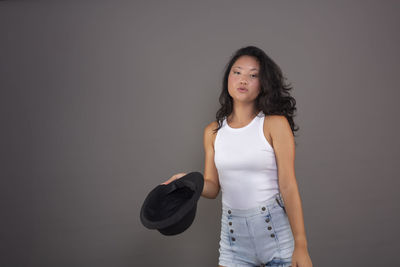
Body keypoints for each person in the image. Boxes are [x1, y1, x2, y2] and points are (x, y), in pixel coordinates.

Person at [162, 46, 313, 267]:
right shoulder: (212, 132)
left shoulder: (274, 124)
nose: (243, 80)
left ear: (263, 84)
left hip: (275, 235)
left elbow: (288, 186)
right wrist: (187, 180)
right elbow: (213, 187)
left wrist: (301, 245)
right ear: (228, 79)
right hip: (234, 239)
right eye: (237, 72)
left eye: (253, 75)